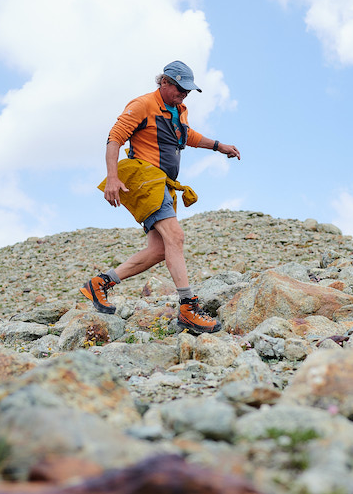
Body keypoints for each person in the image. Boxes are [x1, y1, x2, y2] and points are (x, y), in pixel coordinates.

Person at [80, 61, 240, 334]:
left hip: (163, 184)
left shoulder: (179, 110)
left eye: (188, 90)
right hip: (146, 179)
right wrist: (113, 178)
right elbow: (114, 138)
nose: (184, 94)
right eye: (180, 88)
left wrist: (217, 146)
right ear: (164, 82)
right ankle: (189, 309)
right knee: (175, 236)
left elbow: (186, 135)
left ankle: (101, 283)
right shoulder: (142, 105)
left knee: (159, 250)